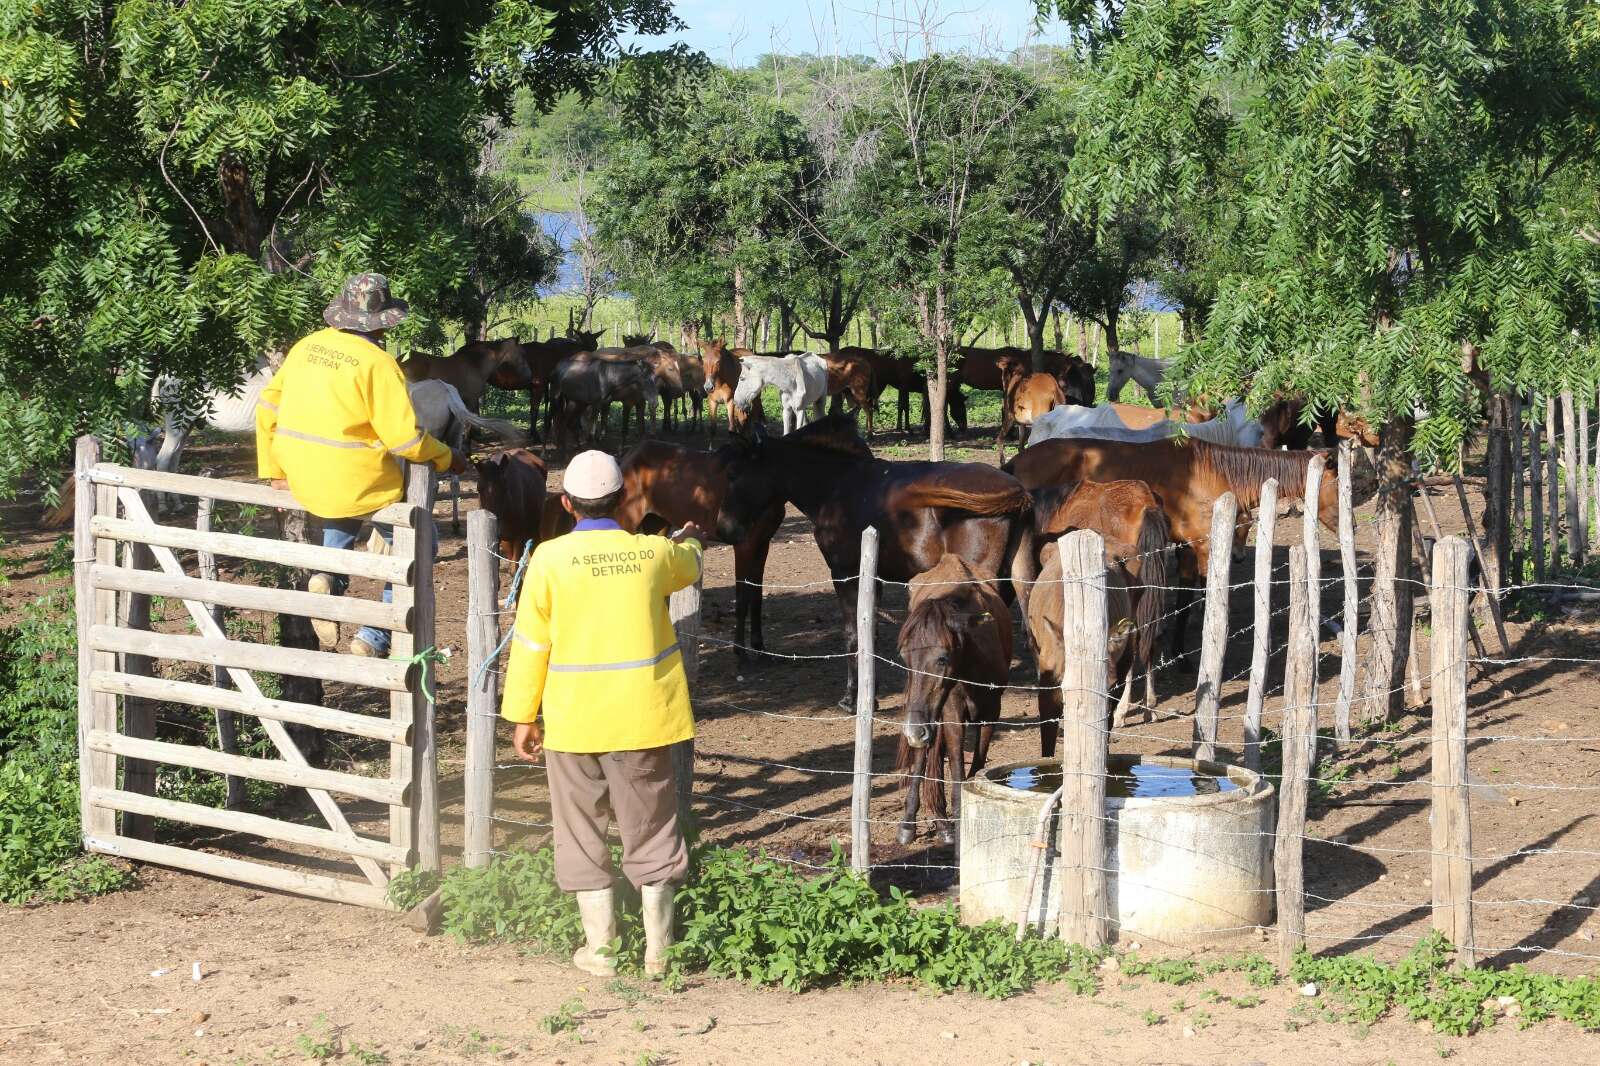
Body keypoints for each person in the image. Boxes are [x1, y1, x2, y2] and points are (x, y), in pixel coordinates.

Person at [501, 450, 704, 978]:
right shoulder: (652, 555)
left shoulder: (547, 560)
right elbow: (691, 562)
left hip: (572, 723)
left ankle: (602, 951)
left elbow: (530, 645)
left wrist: (524, 715)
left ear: (567, 504)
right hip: (642, 718)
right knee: (653, 828)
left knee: (580, 830)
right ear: (624, 501)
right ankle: (658, 952)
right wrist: (685, 540)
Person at [255, 273, 467, 655]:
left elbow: (267, 408)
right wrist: (449, 457)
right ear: (384, 322)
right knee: (423, 544)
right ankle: (374, 635)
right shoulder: (379, 364)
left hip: (305, 477)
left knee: (342, 512)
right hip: (359, 482)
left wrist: (274, 471)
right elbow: (405, 440)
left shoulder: (306, 347)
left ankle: (329, 578)